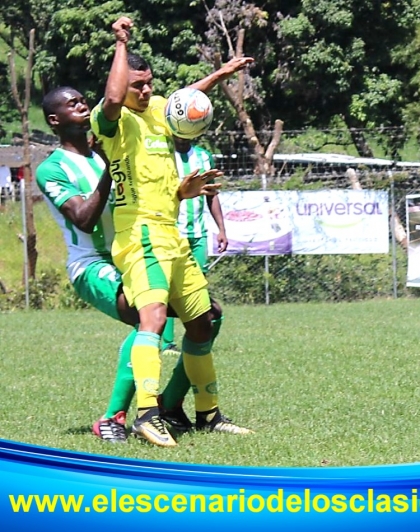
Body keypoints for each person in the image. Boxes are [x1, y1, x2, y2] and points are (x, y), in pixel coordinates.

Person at [91, 16, 254, 446]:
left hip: (173, 233)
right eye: (136, 85)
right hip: (140, 236)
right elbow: (110, 97)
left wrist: (220, 74)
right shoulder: (112, 122)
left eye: (148, 83)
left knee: (203, 322)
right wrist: (121, 43)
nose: (144, 91)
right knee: (154, 320)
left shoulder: (160, 112)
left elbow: (186, 100)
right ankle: (146, 414)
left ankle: (208, 414)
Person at [35, 86, 224, 443]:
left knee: (208, 317)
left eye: (81, 99)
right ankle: (113, 417)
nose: (80, 103)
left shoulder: (111, 146)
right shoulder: (52, 168)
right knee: (144, 317)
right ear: (54, 120)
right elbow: (84, 219)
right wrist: (114, 167)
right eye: (70, 102)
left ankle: (170, 405)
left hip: (133, 248)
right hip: (92, 264)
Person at [160, 136, 228, 357]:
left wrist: (221, 229)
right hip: (172, 232)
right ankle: (167, 343)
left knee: (196, 287)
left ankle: (198, 339)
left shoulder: (203, 157)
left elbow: (211, 194)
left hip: (198, 235)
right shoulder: (164, 154)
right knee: (169, 287)